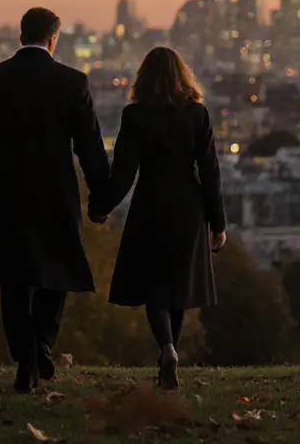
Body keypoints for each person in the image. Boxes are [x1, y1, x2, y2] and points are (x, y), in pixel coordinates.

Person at [0, 7, 110, 393]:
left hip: (7, 194)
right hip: (55, 193)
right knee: (55, 273)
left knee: (13, 280)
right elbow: (90, 147)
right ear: (53, 38)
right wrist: (100, 198)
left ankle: (25, 358)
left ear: (20, 34)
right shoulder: (72, 82)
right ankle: (42, 342)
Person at [89, 46, 227, 391]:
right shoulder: (197, 114)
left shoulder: (135, 116)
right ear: (183, 75)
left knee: (155, 287)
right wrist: (218, 222)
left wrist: (102, 205)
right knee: (179, 287)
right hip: (189, 206)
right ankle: (172, 353)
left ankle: (166, 348)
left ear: (144, 77)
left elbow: (124, 173)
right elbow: (210, 172)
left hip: (150, 203)